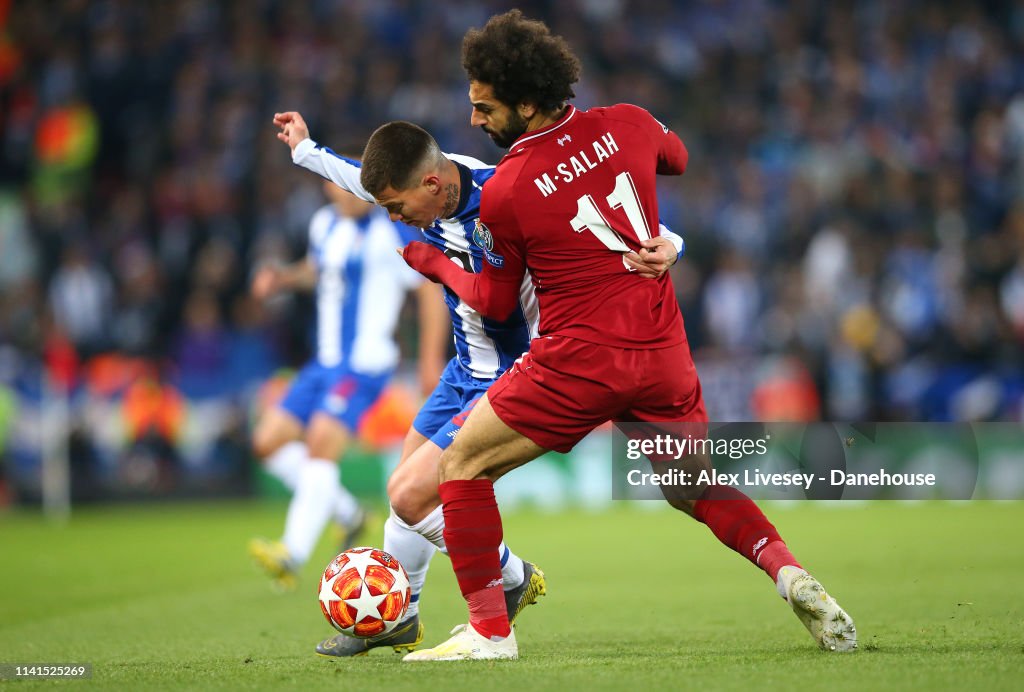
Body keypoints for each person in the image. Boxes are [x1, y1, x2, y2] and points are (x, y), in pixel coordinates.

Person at [397, 10, 857, 661]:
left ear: (526, 103)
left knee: (461, 466)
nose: (474, 121)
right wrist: (667, 238)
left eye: (484, 107)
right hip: (663, 351)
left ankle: (490, 633)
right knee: (690, 484)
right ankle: (788, 571)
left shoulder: (507, 192)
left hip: (576, 362)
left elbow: (499, 309)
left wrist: (438, 264)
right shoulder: (629, 122)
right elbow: (678, 157)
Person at [272, 110, 685, 656]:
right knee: (406, 492)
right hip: (464, 367)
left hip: (513, 369)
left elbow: (589, 222)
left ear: (432, 185)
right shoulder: (425, 190)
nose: (393, 218)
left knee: (413, 493)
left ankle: (510, 579)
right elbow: (359, 179)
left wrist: (670, 239)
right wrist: (306, 149)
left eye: (396, 207)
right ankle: (406, 616)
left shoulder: (500, 199)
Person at [248, 180, 446, 595]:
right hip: (324, 362)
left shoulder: (391, 230)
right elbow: (318, 269)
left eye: (358, 187)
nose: (348, 195)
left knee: (321, 443)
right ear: (327, 186)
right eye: (339, 186)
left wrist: (430, 359)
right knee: (267, 442)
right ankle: (349, 512)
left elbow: (429, 287)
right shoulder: (324, 224)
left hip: (364, 364)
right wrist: (283, 278)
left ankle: (291, 553)